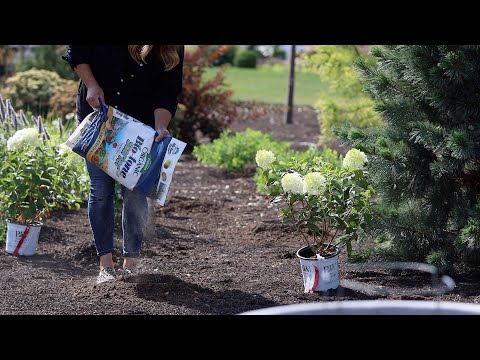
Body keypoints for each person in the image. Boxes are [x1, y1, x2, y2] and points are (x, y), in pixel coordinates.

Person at [63, 45, 184, 284]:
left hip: (141, 123)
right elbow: (79, 49)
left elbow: (168, 90)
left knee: (136, 192)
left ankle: (131, 265)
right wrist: (91, 83)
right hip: (100, 112)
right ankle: (105, 266)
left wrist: (161, 125)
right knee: (101, 191)